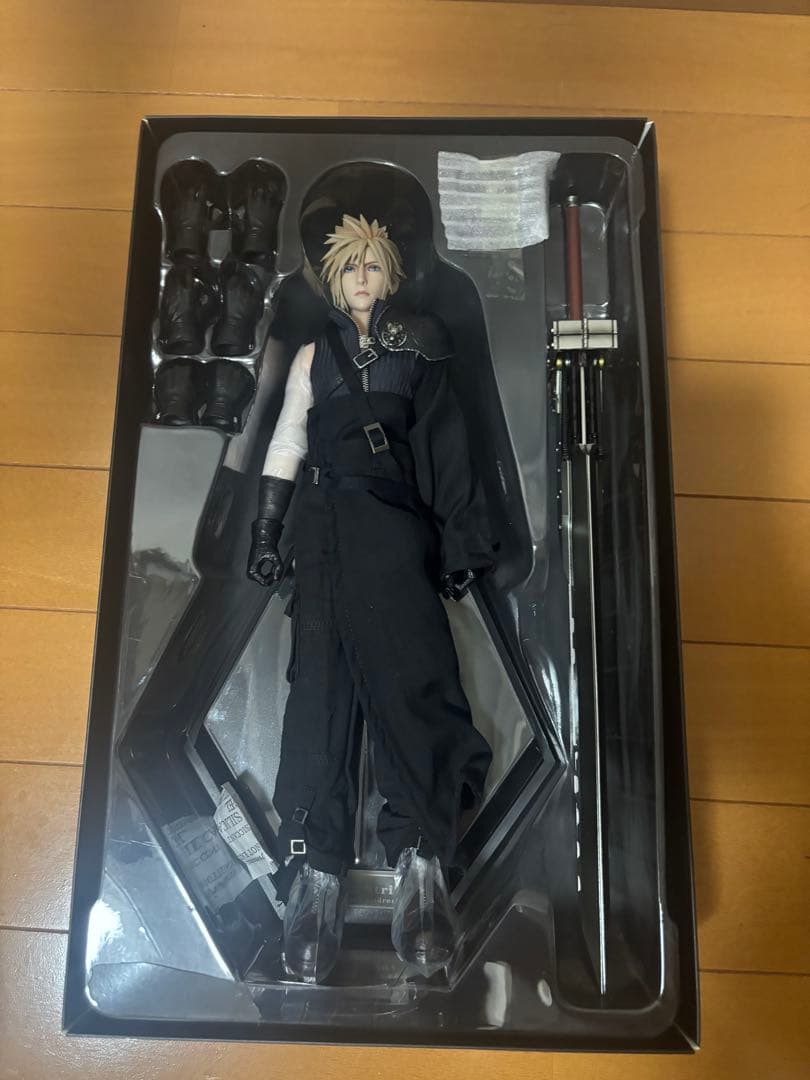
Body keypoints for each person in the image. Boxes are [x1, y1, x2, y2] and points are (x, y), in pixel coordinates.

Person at [248, 213, 494, 982]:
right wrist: (268, 527)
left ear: (391, 274)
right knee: (318, 693)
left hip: (393, 526)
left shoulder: (419, 348)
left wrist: (459, 543)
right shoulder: (314, 355)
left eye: (372, 265)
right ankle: (314, 876)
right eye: (349, 267)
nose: (361, 277)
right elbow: (289, 437)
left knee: (413, 678)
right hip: (323, 530)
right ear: (333, 279)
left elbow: (449, 445)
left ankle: (422, 866)